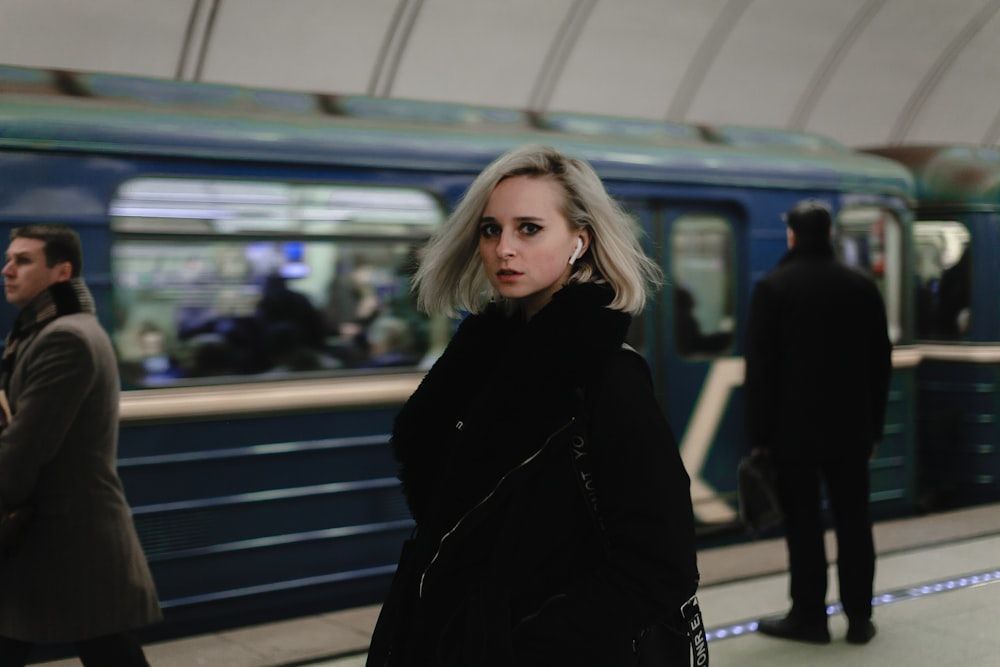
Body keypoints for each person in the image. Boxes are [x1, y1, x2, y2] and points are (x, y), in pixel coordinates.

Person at [366, 145, 700, 666]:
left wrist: (531, 644)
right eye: (490, 230)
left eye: (529, 228)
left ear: (579, 241)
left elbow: (663, 563)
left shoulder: (608, 377)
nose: (504, 249)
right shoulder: (479, 365)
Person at [0, 225, 161, 666]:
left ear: (61, 271)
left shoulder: (64, 338)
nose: (7, 270)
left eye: (23, 260)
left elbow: (25, 447)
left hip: (70, 538)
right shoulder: (45, 331)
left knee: (107, 646)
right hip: (58, 537)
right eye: (10, 258)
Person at [743, 201, 892, 646]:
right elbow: (879, 364)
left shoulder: (774, 288)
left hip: (793, 436)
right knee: (854, 522)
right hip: (852, 434)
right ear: (828, 235)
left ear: (792, 235)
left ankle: (810, 618)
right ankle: (860, 619)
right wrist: (874, 429)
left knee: (803, 526)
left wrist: (760, 438)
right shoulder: (862, 287)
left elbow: (762, 370)